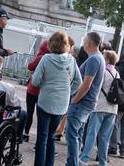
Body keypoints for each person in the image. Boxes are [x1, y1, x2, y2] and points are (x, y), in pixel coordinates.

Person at [31, 31, 81, 166]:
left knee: (42, 137)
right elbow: (78, 82)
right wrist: (69, 91)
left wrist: (45, 84)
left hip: (45, 100)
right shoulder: (71, 60)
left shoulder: (46, 59)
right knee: (52, 137)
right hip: (62, 103)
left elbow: (35, 81)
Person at [64, 32, 104, 166]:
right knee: (77, 135)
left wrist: (74, 100)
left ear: (89, 43)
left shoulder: (94, 59)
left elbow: (87, 84)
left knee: (72, 135)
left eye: (85, 40)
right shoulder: (98, 58)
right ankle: (74, 162)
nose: (83, 43)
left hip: (82, 102)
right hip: (88, 103)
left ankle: (72, 163)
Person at [80, 50, 120, 166]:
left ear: (106, 59)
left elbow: (97, 87)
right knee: (104, 137)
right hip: (112, 109)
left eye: (103, 56)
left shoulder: (103, 71)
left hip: (100, 106)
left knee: (92, 134)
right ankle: (102, 161)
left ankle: (84, 159)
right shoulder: (117, 73)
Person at [24, 40, 51, 142]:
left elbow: (30, 67)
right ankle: (40, 138)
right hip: (43, 91)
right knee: (41, 116)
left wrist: (36, 57)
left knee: (29, 113)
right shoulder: (52, 59)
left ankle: (26, 133)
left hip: (32, 90)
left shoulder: (41, 57)